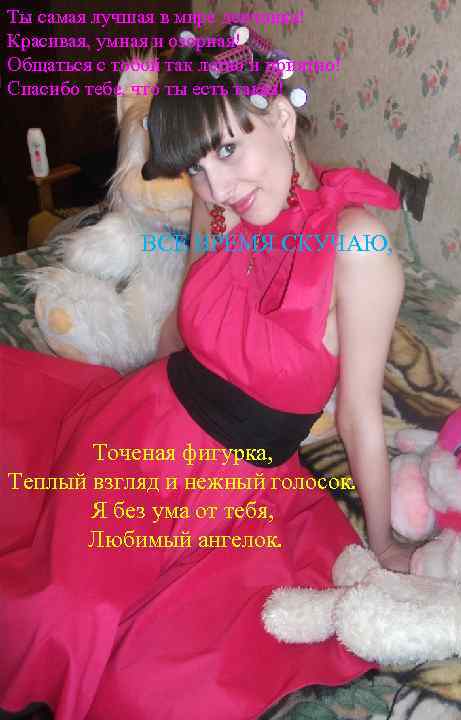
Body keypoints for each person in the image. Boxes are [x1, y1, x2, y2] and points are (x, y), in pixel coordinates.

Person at [0, 25, 413, 720]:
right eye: (196, 166)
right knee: (58, 613)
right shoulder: (217, 199)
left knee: (147, 680)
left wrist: (386, 542)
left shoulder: (359, 247)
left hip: (240, 489)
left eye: (226, 148)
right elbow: (185, 326)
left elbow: (358, 415)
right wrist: (123, 396)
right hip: (139, 432)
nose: (216, 185)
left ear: (280, 117)